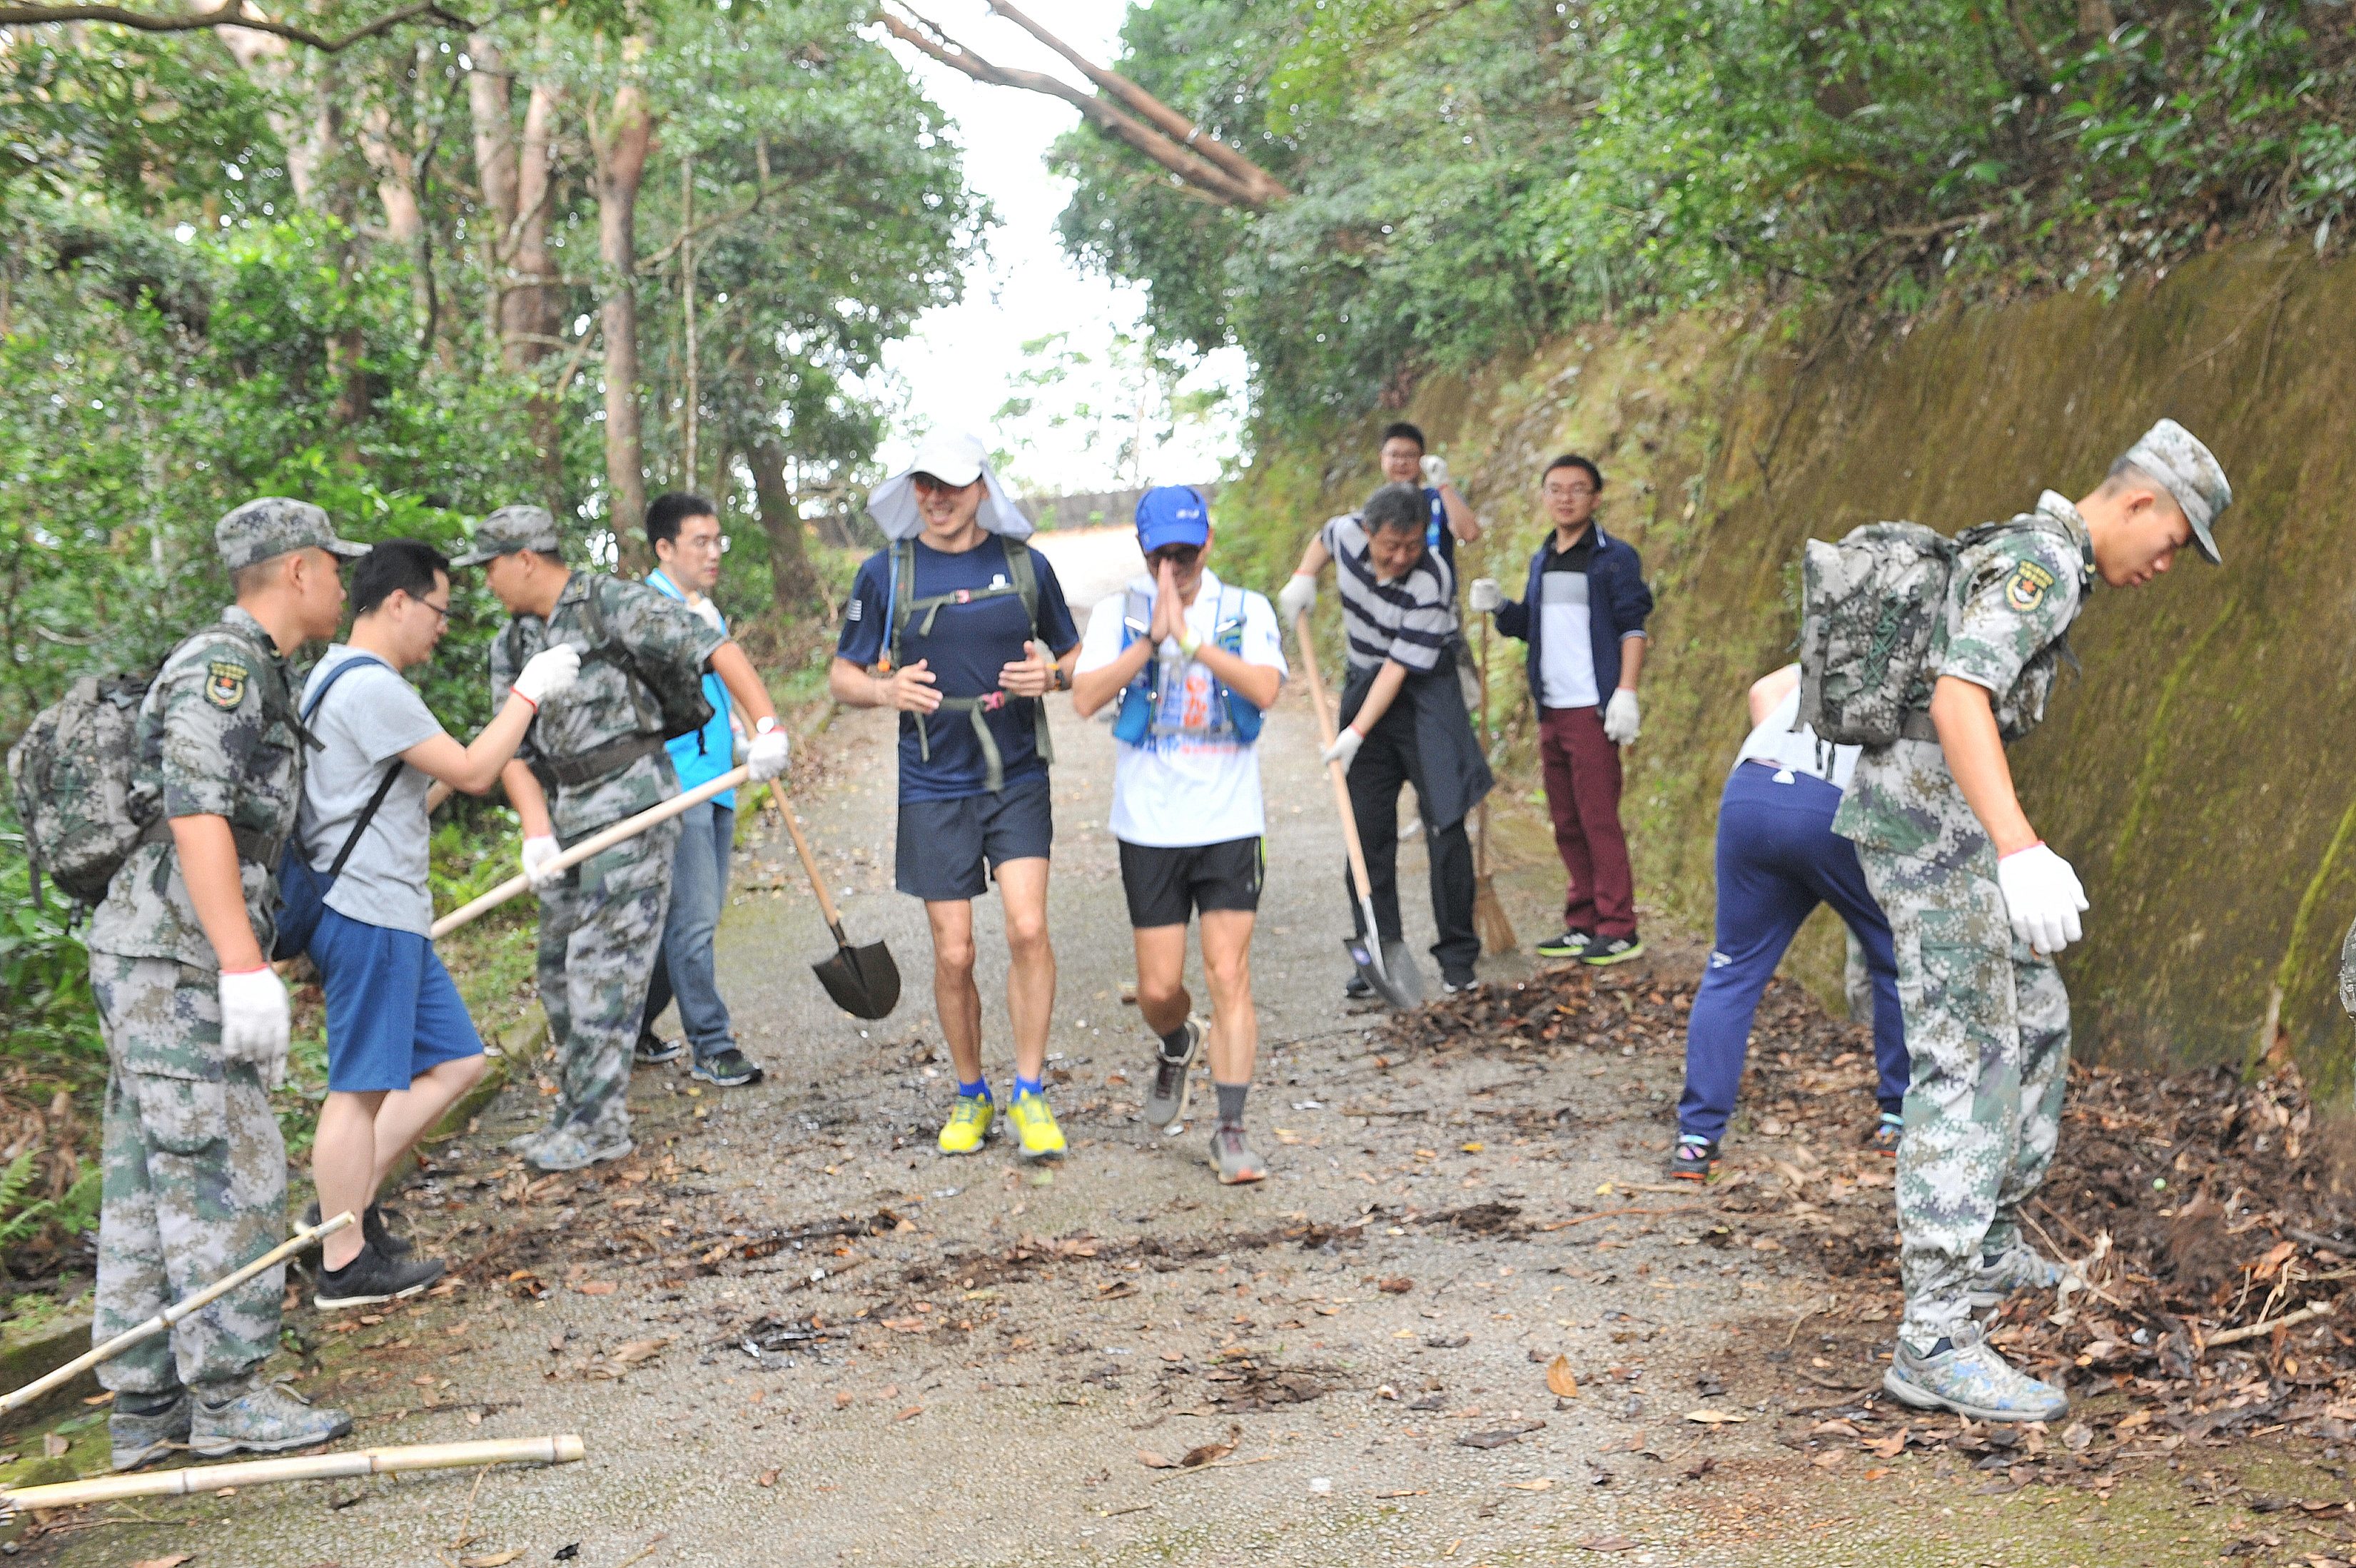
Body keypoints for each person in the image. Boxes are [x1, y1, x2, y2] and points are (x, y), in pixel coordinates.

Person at [1834, 419, 2232, 1423]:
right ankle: (1933, 1335)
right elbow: (1959, 693)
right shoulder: (2041, 563)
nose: (2164, 565)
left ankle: (1994, 1235)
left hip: (1947, 826)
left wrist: (2004, 843)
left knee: (2039, 1011)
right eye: (2174, 541)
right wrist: (2018, 846)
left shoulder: (2039, 553)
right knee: (1966, 1060)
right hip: (1934, 836)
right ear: (2139, 502)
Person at [88, 497, 363, 1472]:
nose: (343, 580)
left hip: (154, 952)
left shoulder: (257, 669)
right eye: (334, 565)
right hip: (177, 962)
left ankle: (146, 1401)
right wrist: (241, 964)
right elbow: (197, 808)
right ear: (296, 570)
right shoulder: (229, 666)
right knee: (230, 1165)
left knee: (149, 1172)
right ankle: (231, 1396)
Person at [458, 505, 790, 1174]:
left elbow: (712, 647)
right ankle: (576, 1111)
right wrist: (535, 832)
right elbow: (510, 747)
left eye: (491, 566)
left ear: (526, 558)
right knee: (557, 971)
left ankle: (598, 1124)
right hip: (564, 810)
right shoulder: (512, 645)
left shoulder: (611, 603)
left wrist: (766, 724)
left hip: (632, 802)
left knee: (600, 967)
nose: (487, 581)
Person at [296, 539, 581, 1308]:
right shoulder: (369, 685)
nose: (443, 628)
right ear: (398, 602)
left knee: (457, 1061)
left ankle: (339, 1208)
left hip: (383, 906)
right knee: (359, 1089)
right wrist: (525, 693)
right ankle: (343, 1264)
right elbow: (476, 770)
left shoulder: (331, 679)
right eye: (439, 611)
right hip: (368, 908)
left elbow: (401, 795)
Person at [829, 431, 1081, 1162]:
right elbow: (842, 678)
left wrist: (1054, 680)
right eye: (924, 486)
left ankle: (1030, 1091)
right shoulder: (885, 573)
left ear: (982, 488)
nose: (937, 499)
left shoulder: (1024, 565)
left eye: (952, 485)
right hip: (934, 780)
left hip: (1017, 774)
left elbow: (1070, 654)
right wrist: (885, 689)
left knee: (1029, 930)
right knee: (955, 952)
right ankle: (972, 1094)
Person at [1071, 487, 1288, 1183]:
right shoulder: (1118, 613)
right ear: (1144, 553)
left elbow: (1265, 688)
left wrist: (1193, 641)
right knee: (1160, 987)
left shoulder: (1244, 608)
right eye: (1162, 553)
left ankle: (1230, 1130)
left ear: (1208, 543)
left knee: (1229, 972)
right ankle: (1175, 1041)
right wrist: (1151, 641)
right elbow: (1084, 697)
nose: (1177, 564)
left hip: (1229, 820)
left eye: (1186, 551)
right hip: (1149, 826)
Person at [1668, 664, 1906, 1185]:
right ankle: (1897, 1117)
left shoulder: (1827, 642)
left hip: (1752, 790)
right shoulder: (1907, 650)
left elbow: (1762, 691)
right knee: (1891, 955)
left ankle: (1696, 1140)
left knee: (1732, 967)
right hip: (1830, 804)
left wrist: (1788, 770)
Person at [1278, 482, 1494, 995]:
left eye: (1413, 545)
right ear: (1368, 531)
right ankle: (1376, 950)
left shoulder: (1431, 579)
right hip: (1364, 681)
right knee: (1365, 829)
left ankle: (1457, 961)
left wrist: (1354, 731)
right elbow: (1324, 538)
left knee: (1446, 823)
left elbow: (1400, 667)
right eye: (1390, 545)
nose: (1401, 556)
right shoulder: (1345, 534)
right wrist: (1303, 576)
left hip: (1424, 692)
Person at [1469, 455, 1654, 965]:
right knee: (1566, 820)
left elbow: (1633, 627)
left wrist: (1626, 691)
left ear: (1596, 498)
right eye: (1555, 489)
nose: (1565, 497)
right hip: (1550, 708)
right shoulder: (1542, 559)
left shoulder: (1614, 558)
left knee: (1598, 819)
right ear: (1544, 497)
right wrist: (1500, 608)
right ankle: (1583, 919)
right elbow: (1530, 625)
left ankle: (1619, 926)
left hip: (1592, 709)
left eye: (1577, 489)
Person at [632, 492, 763, 1088]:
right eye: (699, 543)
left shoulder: (704, 610)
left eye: (718, 541)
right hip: (674, 788)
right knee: (696, 918)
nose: (713, 553)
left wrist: (741, 732)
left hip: (719, 781)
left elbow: (722, 687)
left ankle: (631, 1023)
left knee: (683, 919)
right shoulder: (644, 612)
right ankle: (712, 1044)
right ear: (665, 548)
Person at [1377, 421, 1482, 580]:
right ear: (1382, 458)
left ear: (1423, 458)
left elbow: (1470, 533)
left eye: (1410, 455)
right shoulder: (1376, 506)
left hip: (1439, 599)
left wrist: (1443, 485)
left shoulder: (1439, 497)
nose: (1402, 462)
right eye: (1394, 455)